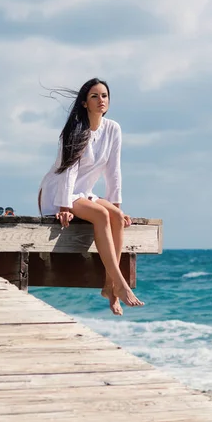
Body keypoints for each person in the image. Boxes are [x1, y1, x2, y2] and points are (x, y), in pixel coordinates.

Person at [38, 78, 144, 316]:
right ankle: (119, 283)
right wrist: (63, 205)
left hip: (84, 193)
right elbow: (68, 170)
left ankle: (109, 286)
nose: (100, 100)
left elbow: (113, 170)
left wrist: (116, 205)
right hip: (59, 191)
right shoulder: (76, 130)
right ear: (85, 103)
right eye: (94, 96)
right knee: (101, 215)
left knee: (114, 216)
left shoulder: (113, 129)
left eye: (104, 96)